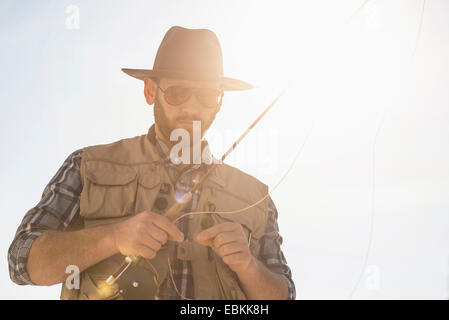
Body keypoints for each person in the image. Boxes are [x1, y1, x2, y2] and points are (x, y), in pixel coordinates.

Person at [8, 26, 295, 300]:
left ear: (219, 102)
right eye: (178, 92)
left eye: (207, 95)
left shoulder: (257, 197)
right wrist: (114, 237)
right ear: (150, 92)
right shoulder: (85, 165)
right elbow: (21, 260)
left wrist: (248, 266)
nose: (192, 107)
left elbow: (285, 294)